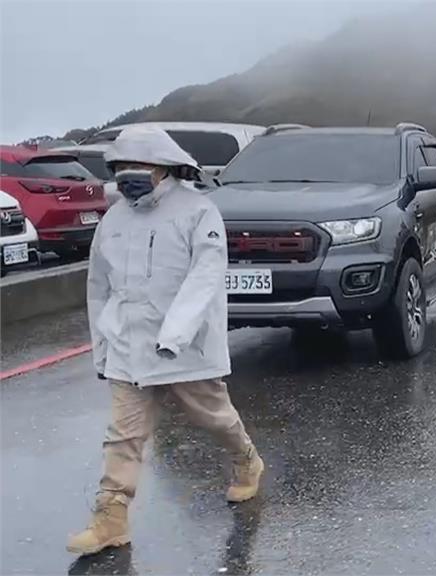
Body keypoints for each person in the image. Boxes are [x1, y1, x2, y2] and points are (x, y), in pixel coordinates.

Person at [68, 127, 264, 556]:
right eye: (120, 166)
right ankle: (110, 517)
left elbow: (206, 277)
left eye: (138, 165)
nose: (128, 174)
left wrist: (174, 335)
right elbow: (98, 287)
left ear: (163, 167)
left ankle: (246, 459)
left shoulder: (198, 211)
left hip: (184, 349)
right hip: (128, 349)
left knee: (216, 418)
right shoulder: (114, 220)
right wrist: (103, 346)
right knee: (123, 435)